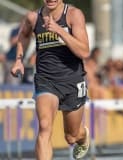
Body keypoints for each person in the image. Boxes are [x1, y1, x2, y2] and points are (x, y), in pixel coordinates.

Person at [11, 0, 90, 159]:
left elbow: (84, 52)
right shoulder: (33, 18)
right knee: (44, 126)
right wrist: (19, 59)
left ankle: (83, 136)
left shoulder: (73, 15)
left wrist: (60, 31)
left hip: (72, 80)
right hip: (46, 80)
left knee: (71, 136)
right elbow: (24, 36)